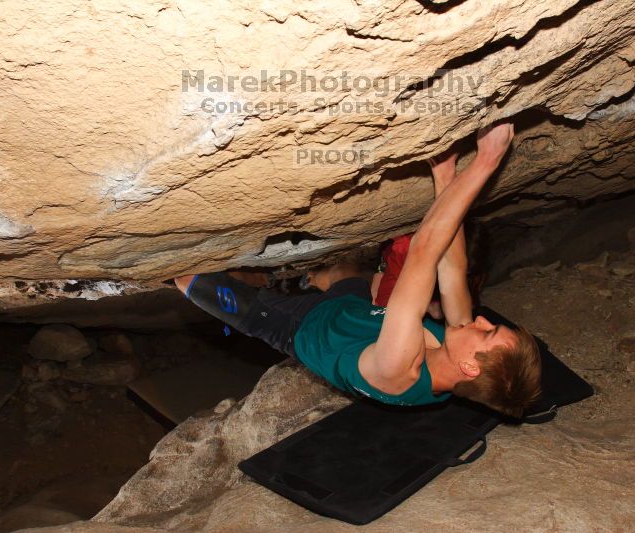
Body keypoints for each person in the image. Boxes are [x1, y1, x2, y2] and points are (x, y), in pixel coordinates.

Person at [174, 123, 541, 417]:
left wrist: (487, 161)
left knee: (188, 277)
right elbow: (452, 267)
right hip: (354, 310)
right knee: (345, 269)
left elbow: (424, 253)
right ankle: (294, 280)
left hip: (298, 327)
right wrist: (445, 175)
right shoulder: (454, 352)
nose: (481, 320)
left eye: (488, 332)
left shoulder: (399, 369)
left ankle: (272, 290)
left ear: (470, 368)